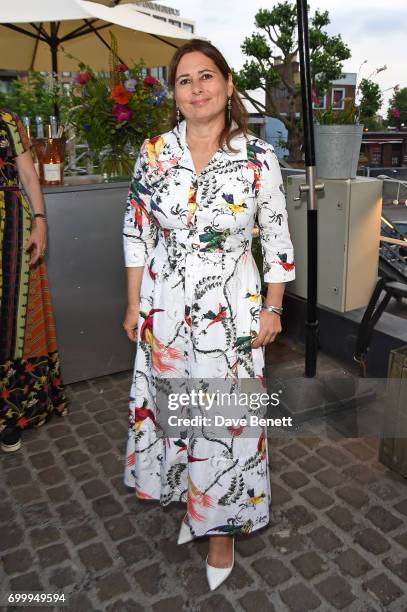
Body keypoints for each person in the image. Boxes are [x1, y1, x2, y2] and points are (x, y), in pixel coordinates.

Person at [122, 39, 295, 591]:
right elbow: (136, 234)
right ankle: (193, 502)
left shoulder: (257, 157)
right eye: (184, 80)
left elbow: (276, 236)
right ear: (174, 95)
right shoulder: (153, 153)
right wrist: (133, 304)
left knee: (225, 423)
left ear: (226, 84)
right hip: (166, 305)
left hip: (232, 309)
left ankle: (220, 532)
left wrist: (273, 306)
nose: (196, 88)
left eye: (206, 77)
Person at [0, 109, 68, 453]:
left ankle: (8, 414)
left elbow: (28, 175)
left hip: (10, 228)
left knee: (13, 318)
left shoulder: (8, 122)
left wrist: (40, 221)